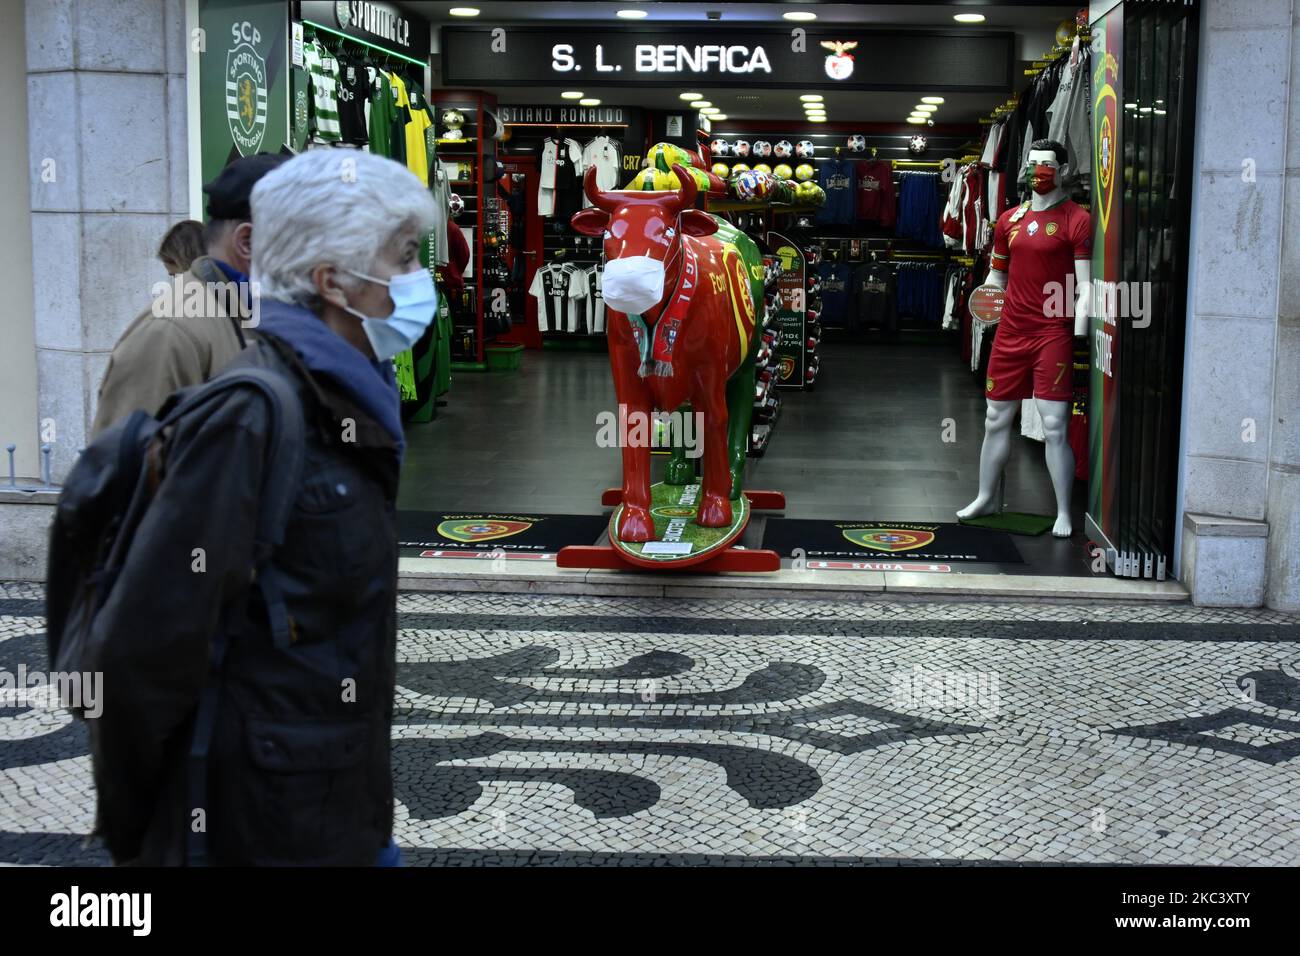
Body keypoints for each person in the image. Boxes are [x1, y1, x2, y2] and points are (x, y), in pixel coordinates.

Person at [89, 148, 437, 865]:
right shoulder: (254, 414)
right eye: (401, 258)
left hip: (335, 805)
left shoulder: (347, 394)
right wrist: (154, 834)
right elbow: (139, 642)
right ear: (331, 280)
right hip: (261, 826)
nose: (415, 281)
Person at [90, 153, 287, 438]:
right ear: (246, 242)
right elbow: (125, 472)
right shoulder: (170, 332)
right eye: (303, 239)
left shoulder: (267, 312)